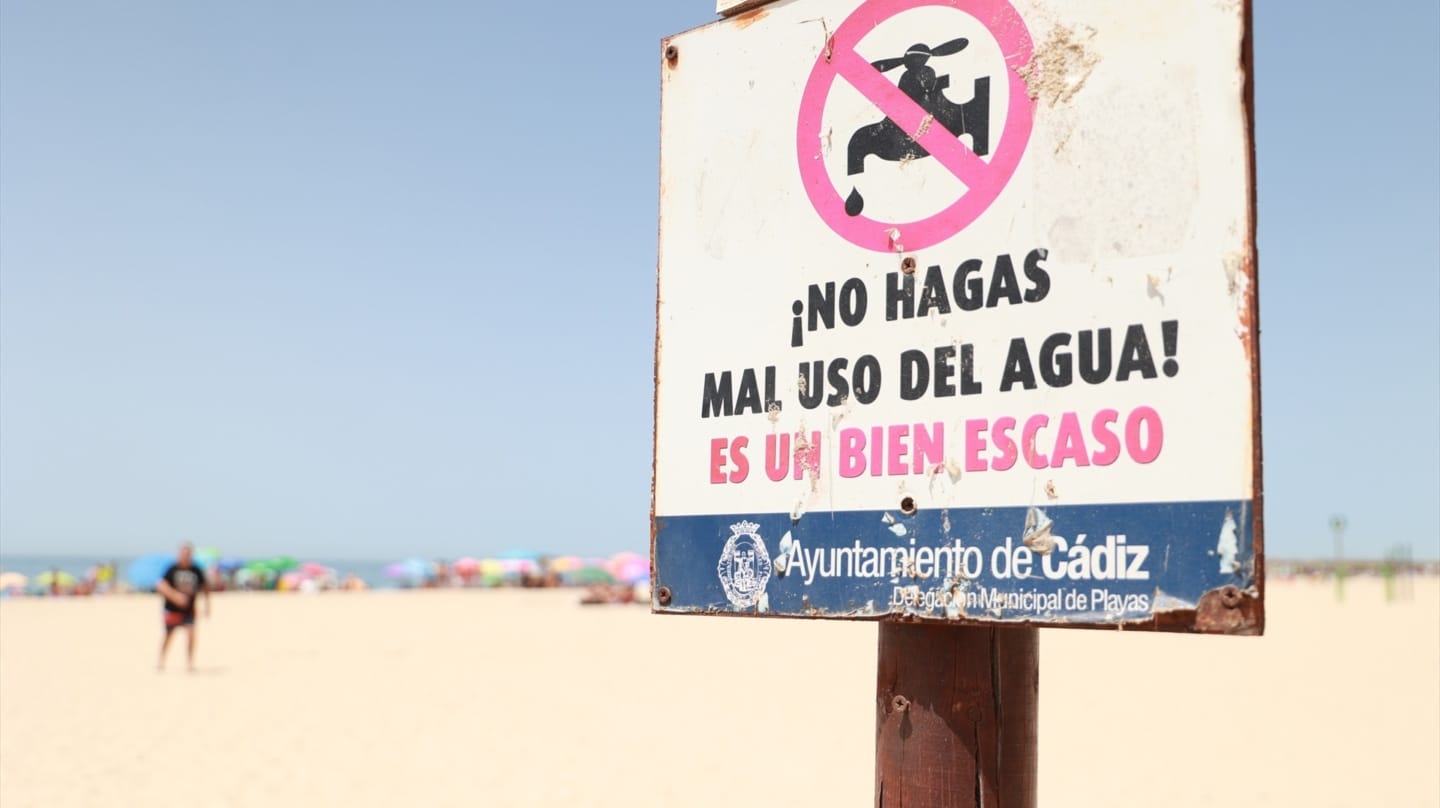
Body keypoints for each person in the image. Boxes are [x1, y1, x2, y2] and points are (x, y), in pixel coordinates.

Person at [156, 543, 211, 672]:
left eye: (188, 554)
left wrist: (208, 605)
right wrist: (176, 596)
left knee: (191, 635)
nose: (185, 557)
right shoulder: (172, 569)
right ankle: (161, 660)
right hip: (172, 609)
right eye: (183, 554)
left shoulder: (196, 570)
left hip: (189, 610)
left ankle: (190, 663)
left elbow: (205, 588)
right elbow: (161, 585)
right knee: (168, 636)